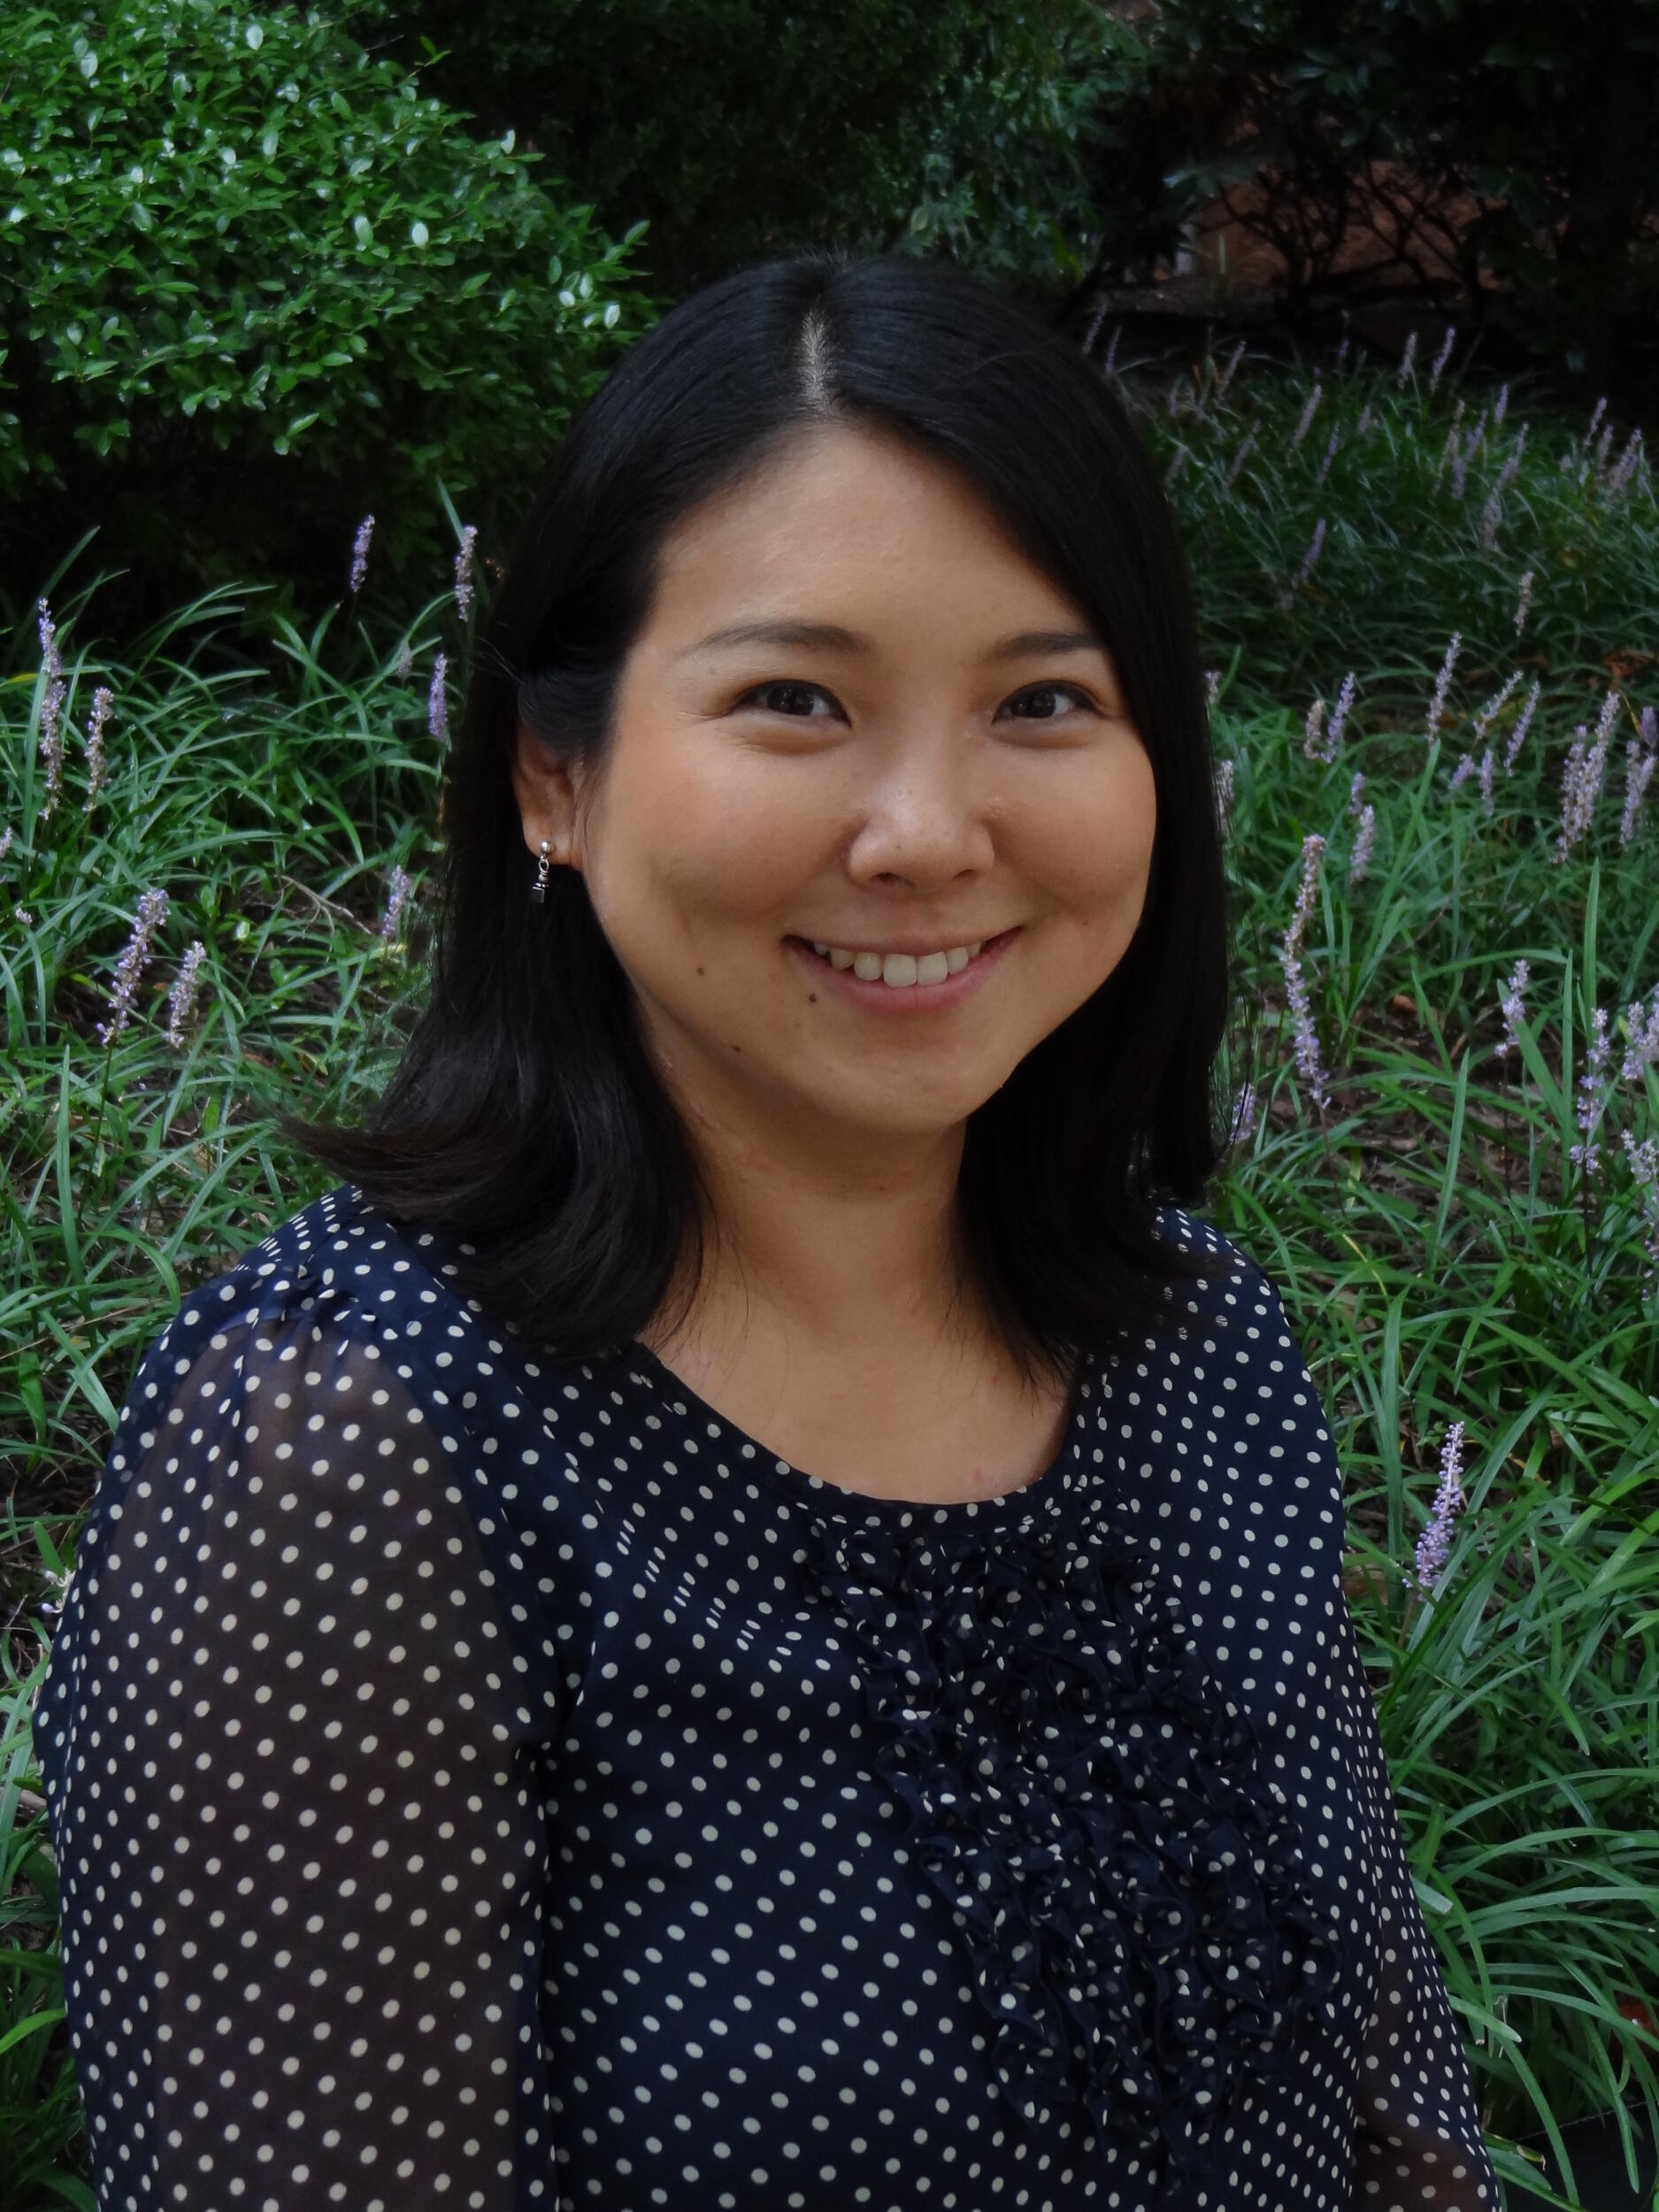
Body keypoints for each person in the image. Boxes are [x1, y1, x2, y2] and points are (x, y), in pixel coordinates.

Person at [33, 248, 1501, 2212]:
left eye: (1043, 698)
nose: (925, 831)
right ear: (552, 773)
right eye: (795, 697)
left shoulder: (1192, 1343)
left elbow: (1394, 2109)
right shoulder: (345, 1446)